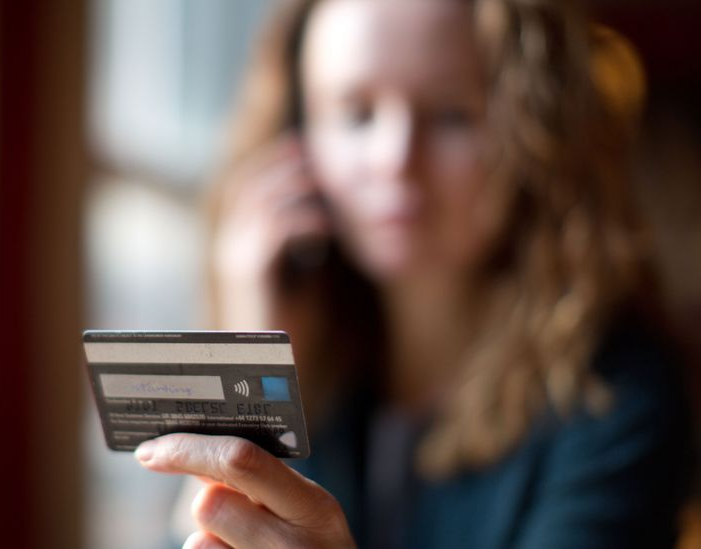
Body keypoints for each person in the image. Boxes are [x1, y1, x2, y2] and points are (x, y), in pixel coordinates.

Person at [134, 0, 695, 547]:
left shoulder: (618, 396)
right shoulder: (311, 363)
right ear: (297, 140)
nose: (394, 157)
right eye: (356, 113)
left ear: (532, 139)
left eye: (452, 114)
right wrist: (245, 363)